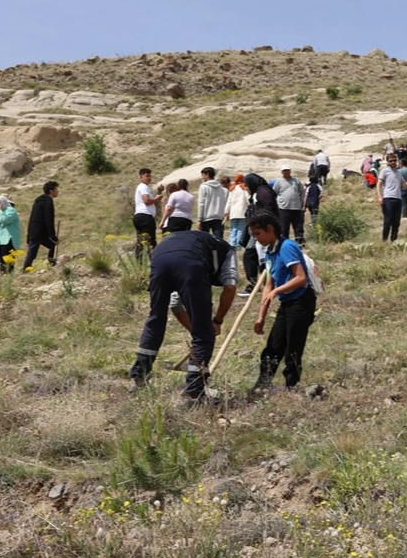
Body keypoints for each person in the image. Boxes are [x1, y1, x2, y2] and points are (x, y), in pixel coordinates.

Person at [128, 227, 238, 397]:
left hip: (159, 257)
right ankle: (195, 389)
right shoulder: (228, 251)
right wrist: (215, 322)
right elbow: (230, 287)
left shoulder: (195, 243)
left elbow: (175, 304)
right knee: (203, 331)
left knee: (156, 318)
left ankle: (139, 377)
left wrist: (196, 330)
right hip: (190, 263)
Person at [248, 210, 316, 395]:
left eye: (258, 234)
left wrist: (279, 290)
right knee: (273, 346)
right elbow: (268, 286)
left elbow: (300, 278)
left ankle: (291, 388)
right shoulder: (270, 252)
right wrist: (261, 316)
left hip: (301, 301)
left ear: (270, 229)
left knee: (293, 347)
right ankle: (262, 385)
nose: (256, 239)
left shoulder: (286, 247)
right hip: (287, 303)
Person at [24, 181, 59, 269]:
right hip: (38, 233)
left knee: (52, 246)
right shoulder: (48, 202)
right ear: (51, 191)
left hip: (35, 232)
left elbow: (31, 219)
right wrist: (53, 236)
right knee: (32, 253)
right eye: (56, 189)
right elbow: (49, 220)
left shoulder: (38, 202)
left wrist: (28, 236)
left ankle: (52, 265)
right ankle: (25, 270)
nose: (57, 191)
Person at [273, 164, 307, 244]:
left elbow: (302, 192)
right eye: (284, 170)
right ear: (282, 172)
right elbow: (274, 193)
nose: (286, 172)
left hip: (296, 208)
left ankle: (300, 243)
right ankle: (284, 244)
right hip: (283, 209)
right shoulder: (278, 182)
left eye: (287, 170)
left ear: (290, 171)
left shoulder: (296, 181)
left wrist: (301, 201)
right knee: (284, 228)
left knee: (298, 227)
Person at [378, 150, 406, 241]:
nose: (393, 162)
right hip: (388, 198)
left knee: (396, 222)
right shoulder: (385, 171)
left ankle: (393, 240)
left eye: (394, 160)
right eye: (391, 161)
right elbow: (379, 184)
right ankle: (384, 240)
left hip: (398, 199)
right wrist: (380, 196)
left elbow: (404, 186)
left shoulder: (399, 173)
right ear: (387, 162)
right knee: (388, 220)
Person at [133, 168, 160, 252]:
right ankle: (153, 262)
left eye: (150, 176)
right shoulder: (144, 187)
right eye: (146, 176)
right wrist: (157, 199)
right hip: (145, 217)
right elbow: (147, 201)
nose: (149, 178)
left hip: (140, 216)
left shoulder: (143, 187)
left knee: (140, 241)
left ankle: (139, 263)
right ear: (141, 177)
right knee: (151, 241)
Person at [196, 168, 227, 238]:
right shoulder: (220, 188)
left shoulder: (204, 186)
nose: (202, 177)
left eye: (203, 175)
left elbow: (201, 203)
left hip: (206, 217)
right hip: (218, 217)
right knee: (218, 240)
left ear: (207, 174)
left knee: (204, 239)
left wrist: (199, 219)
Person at [226, 173, 251, 248]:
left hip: (233, 213)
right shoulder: (244, 188)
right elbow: (248, 199)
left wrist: (226, 211)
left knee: (233, 229)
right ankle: (238, 245)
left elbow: (229, 201)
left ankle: (232, 243)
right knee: (240, 229)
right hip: (242, 212)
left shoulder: (232, 188)